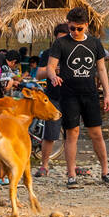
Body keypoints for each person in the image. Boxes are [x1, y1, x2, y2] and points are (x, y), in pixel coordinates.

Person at [46, 7, 109, 188]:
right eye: (72, 28)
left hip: (90, 93)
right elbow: (50, 66)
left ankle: (105, 171)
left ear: (86, 25)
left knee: (96, 133)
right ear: (68, 25)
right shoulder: (61, 44)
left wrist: (107, 94)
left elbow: (101, 69)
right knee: (72, 134)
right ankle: (71, 175)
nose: (75, 32)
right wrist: (53, 76)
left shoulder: (94, 43)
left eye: (79, 28)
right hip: (68, 94)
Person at [32, 23, 69, 178]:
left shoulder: (74, 52)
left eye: (65, 39)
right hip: (54, 97)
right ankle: (44, 165)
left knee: (71, 133)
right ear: (55, 39)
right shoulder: (49, 53)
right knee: (50, 133)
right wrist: (52, 71)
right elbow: (39, 74)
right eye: (59, 39)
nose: (61, 43)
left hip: (72, 97)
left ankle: (72, 166)